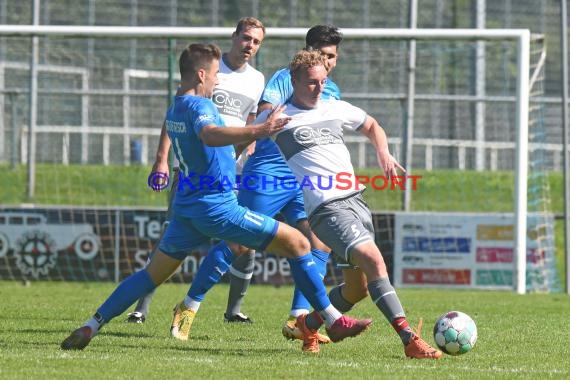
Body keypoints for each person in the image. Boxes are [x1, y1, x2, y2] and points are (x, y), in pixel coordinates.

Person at [60, 42, 371, 351]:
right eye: (213, 74)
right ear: (200, 74)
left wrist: (238, 147)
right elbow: (209, 134)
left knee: (150, 275)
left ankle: (92, 324)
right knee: (299, 243)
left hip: (187, 208)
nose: (217, 80)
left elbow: (212, 147)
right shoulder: (201, 107)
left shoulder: (176, 107)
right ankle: (332, 319)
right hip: (218, 207)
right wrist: (259, 130)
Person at [171, 25, 346, 345]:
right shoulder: (285, 78)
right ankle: (188, 306)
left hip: (305, 176)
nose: (328, 62)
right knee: (239, 244)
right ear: (307, 51)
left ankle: (299, 319)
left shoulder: (331, 90)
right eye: (322, 54)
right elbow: (267, 113)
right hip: (271, 172)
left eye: (332, 57)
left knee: (319, 242)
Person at [263, 49, 443, 358]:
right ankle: (409, 339)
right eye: (311, 83)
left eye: (323, 81)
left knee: (357, 289)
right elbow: (241, 136)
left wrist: (383, 153)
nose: (319, 88)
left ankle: (309, 324)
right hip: (326, 209)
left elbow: (372, 125)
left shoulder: (335, 107)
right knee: (375, 261)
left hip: (356, 201)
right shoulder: (279, 118)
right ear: (293, 81)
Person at [126, 17, 267, 324]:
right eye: (246, 38)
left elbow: (250, 121)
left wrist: (248, 145)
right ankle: (141, 307)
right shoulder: (207, 69)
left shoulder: (257, 79)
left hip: (232, 171)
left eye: (256, 42)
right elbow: (176, 113)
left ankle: (233, 310)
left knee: (245, 240)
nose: (249, 45)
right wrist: (162, 158)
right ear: (234, 36)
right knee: (170, 240)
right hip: (193, 171)